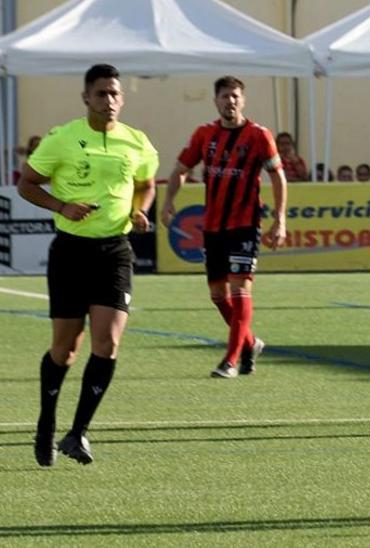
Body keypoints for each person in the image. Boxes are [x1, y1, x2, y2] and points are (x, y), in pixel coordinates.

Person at [18, 64, 159, 466]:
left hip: (115, 251)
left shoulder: (137, 142)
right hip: (71, 252)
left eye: (115, 94)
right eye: (101, 94)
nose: (109, 101)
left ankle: (77, 433)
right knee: (65, 349)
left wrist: (138, 211)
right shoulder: (62, 138)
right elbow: (27, 182)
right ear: (85, 97)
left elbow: (146, 184)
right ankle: (46, 422)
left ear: (122, 98)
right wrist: (62, 206)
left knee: (108, 343)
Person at [161, 76, 288, 378]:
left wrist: (279, 220)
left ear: (242, 100)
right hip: (214, 227)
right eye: (224, 96)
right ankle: (250, 343)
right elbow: (181, 169)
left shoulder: (259, 135)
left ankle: (230, 360)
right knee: (218, 295)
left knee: (240, 288)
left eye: (235, 96)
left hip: (245, 225)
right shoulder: (205, 134)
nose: (230, 101)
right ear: (215, 101)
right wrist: (168, 202)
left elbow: (278, 176)